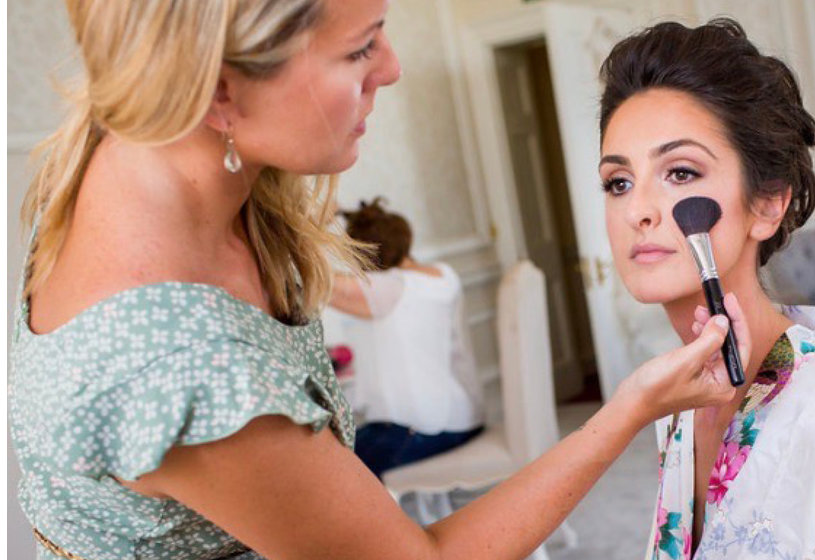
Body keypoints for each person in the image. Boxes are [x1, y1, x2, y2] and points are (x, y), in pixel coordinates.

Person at [9, 2, 748, 559]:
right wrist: (630, 409)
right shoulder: (178, 370)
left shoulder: (139, 154)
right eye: (360, 49)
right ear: (218, 93)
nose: (391, 67)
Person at [597, 19, 815, 559]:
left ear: (767, 204)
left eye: (681, 173)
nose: (638, 211)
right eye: (618, 183)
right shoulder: (677, 403)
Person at [328, 197, 485, 478]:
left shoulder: (392, 288)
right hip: (465, 417)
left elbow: (317, 282)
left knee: (331, 470)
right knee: (334, 450)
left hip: (425, 427)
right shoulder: (444, 275)